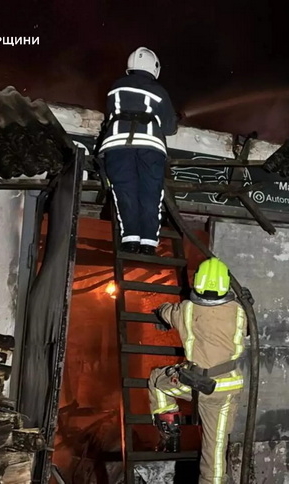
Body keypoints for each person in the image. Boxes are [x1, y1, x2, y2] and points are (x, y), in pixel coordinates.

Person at [148, 257, 253, 484]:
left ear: (197, 282)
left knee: (157, 380)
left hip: (193, 383)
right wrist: (247, 303)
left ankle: (170, 432)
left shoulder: (187, 309)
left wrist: (159, 311)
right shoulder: (239, 311)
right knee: (215, 451)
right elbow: (247, 329)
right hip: (227, 388)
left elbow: (167, 312)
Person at [98, 46, 177, 255]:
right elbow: (170, 128)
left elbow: (110, 115)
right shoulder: (158, 90)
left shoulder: (116, 87)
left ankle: (130, 239)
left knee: (124, 190)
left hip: (116, 145)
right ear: (154, 67)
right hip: (150, 146)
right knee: (150, 192)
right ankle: (149, 242)